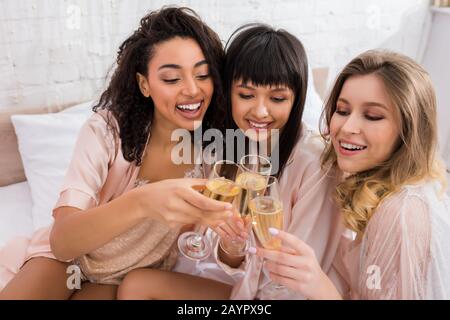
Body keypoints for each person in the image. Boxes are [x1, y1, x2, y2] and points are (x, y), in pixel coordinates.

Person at [0, 6, 231, 300]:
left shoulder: (216, 151)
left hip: (123, 279)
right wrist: (143, 201)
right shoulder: (107, 131)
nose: (192, 90)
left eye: (203, 75)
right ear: (144, 84)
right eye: (172, 79)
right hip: (66, 260)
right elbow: (62, 242)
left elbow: (220, 248)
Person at [116, 24, 344, 300]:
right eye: (246, 95)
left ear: (296, 100)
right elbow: (226, 254)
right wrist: (232, 246)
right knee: (134, 284)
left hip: (278, 296)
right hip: (238, 285)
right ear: (228, 93)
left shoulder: (313, 162)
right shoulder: (230, 144)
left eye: (277, 98)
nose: (260, 111)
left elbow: (296, 279)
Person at [254, 50, 450, 299]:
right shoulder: (374, 182)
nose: (347, 128)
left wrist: (320, 286)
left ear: (409, 129)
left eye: (373, 116)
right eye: (343, 111)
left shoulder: (401, 212)